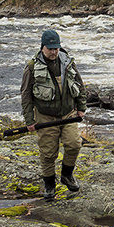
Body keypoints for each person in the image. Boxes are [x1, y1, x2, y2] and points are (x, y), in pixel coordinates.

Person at [20, 29, 87, 201]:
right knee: (48, 153)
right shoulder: (32, 66)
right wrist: (29, 120)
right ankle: (49, 184)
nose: (54, 51)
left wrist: (81, 108)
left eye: (56, 48)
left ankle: (67, 175)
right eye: (50, 48)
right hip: (45, 116)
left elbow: (79, 84)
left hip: (68, 113)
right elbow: (26, 95)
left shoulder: (68, 62)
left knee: (74, 144)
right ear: (43, 47)